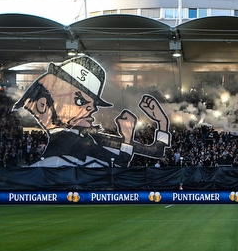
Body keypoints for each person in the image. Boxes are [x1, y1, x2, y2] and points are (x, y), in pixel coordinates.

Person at [13, 54, 170, 167]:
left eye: (92, 103)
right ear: (43, 105)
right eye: (80, 101)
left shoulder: (88, 137)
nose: (91, 108)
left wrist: (162, 122)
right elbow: (118, 165)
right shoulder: (69, 146)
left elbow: (153, 151)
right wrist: (127, 138)